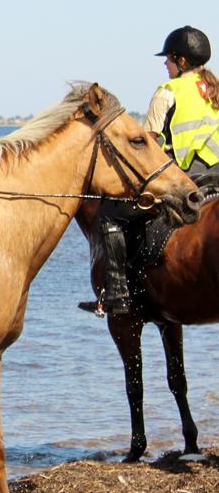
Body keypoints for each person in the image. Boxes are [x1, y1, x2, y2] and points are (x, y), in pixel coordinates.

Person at [79, 25, 219, 315]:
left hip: (186, 181)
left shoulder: (168, 92)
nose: (165, 65)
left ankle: (117, 295)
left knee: (109, 216)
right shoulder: (214, 89)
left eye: (167, 59)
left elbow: (148, 145)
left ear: (181, 61)